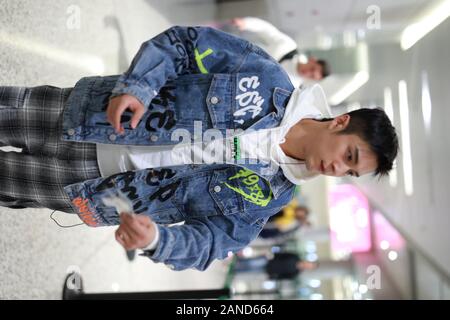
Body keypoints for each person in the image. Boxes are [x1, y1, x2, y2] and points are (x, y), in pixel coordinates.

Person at [0, 25, 398, 271]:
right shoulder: (263, 77)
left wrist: (157, 241)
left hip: (94, 189)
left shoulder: (269, 197)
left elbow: (210, 242)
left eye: (350, 173)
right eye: (348, 156)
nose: (337, 170)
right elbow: (184, 45)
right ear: (341, 122)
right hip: (88, 115)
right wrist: (140, 86)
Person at [218, 17, 331, 86]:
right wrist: (246, 23)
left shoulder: (291, 87)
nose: (307, 73)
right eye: (312, 69)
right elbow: (267, 30)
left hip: (228, 80)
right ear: (313, 60)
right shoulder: (289, 46)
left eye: (311, 76)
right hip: (228, 54)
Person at [234, 252, 318, 280]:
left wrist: (272, 277)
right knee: (251, 263)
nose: (308, 266)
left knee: (250, 271)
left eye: (310, 267)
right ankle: (234, 262)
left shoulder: (295, 273)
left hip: (268, 271)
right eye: (310, 264)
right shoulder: (295, 257)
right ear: (308, 262)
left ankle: (233, 270)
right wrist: (272, 254)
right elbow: (282, 254)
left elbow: (282, 277)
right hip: (269, 261)